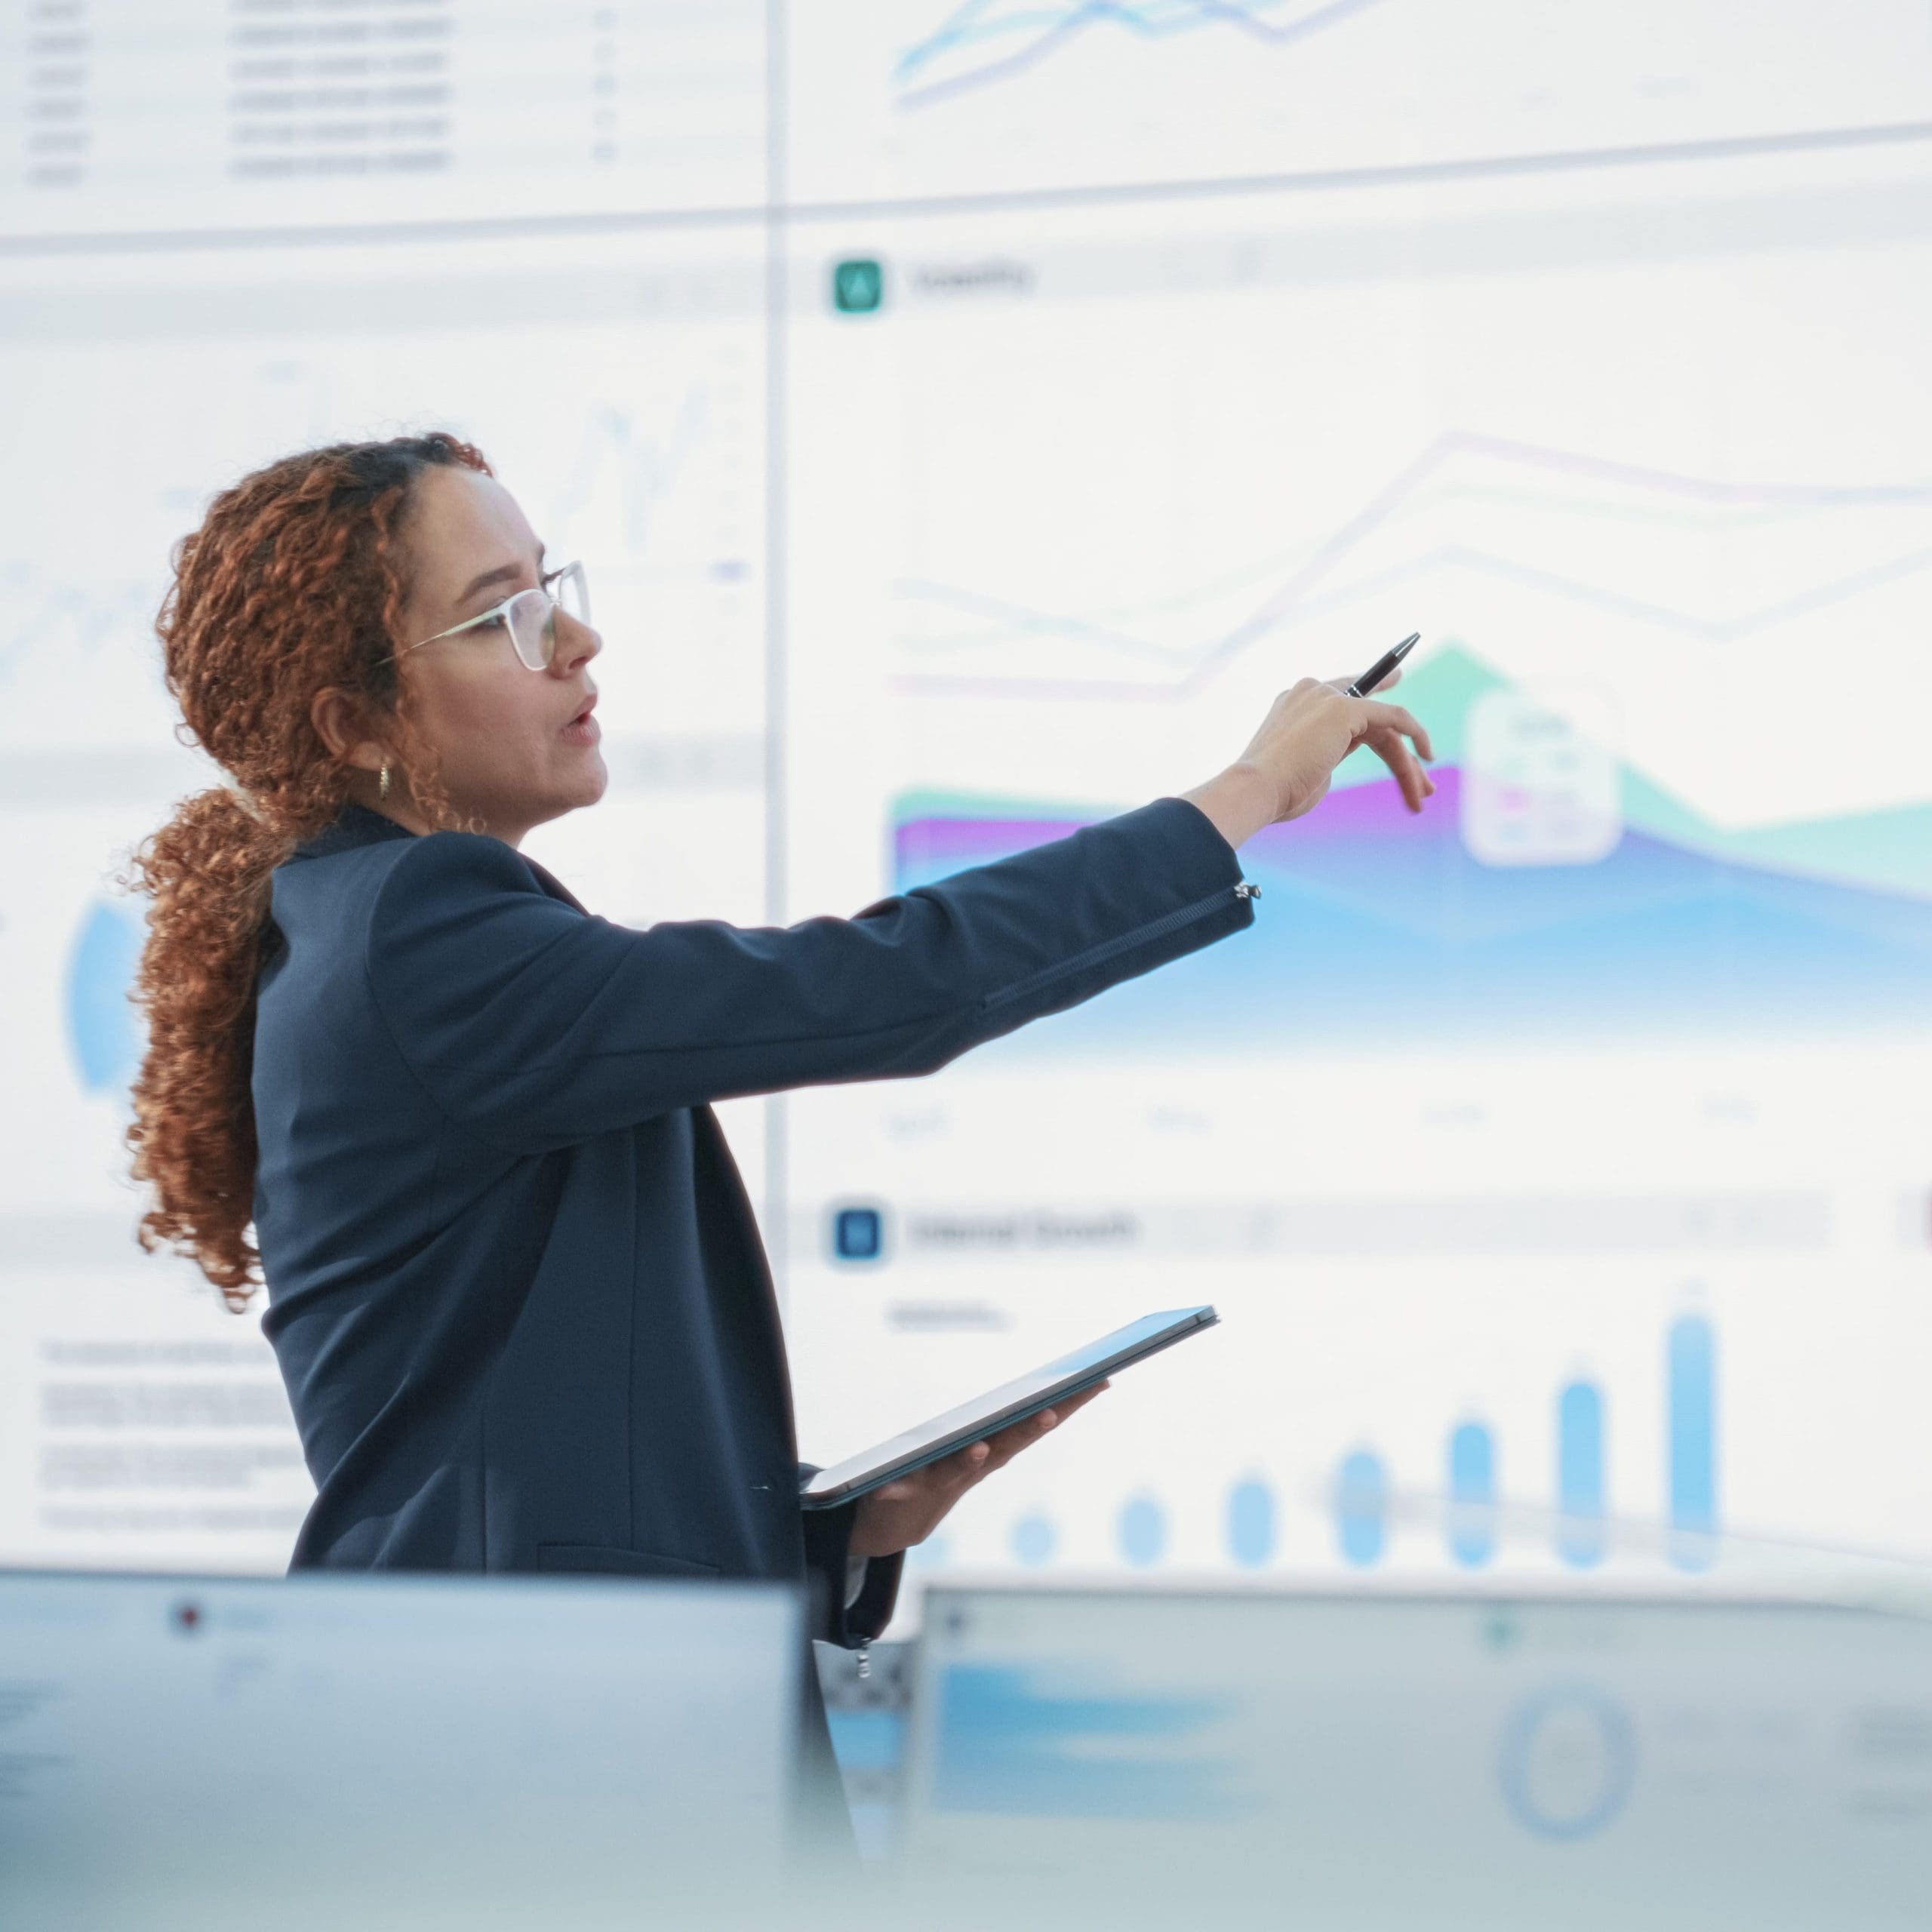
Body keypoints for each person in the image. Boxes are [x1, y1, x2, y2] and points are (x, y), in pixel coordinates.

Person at [122, 430, 1433, 1839]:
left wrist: (834, 1534)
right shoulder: (423, 934)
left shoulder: (376, 937)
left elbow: (519, 1456)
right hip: (521, 1759)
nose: (576, 636)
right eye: (504, 611)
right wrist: (1243, 797)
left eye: (551, 582)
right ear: (353, 723)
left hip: (513, 1731)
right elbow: (886, 985)